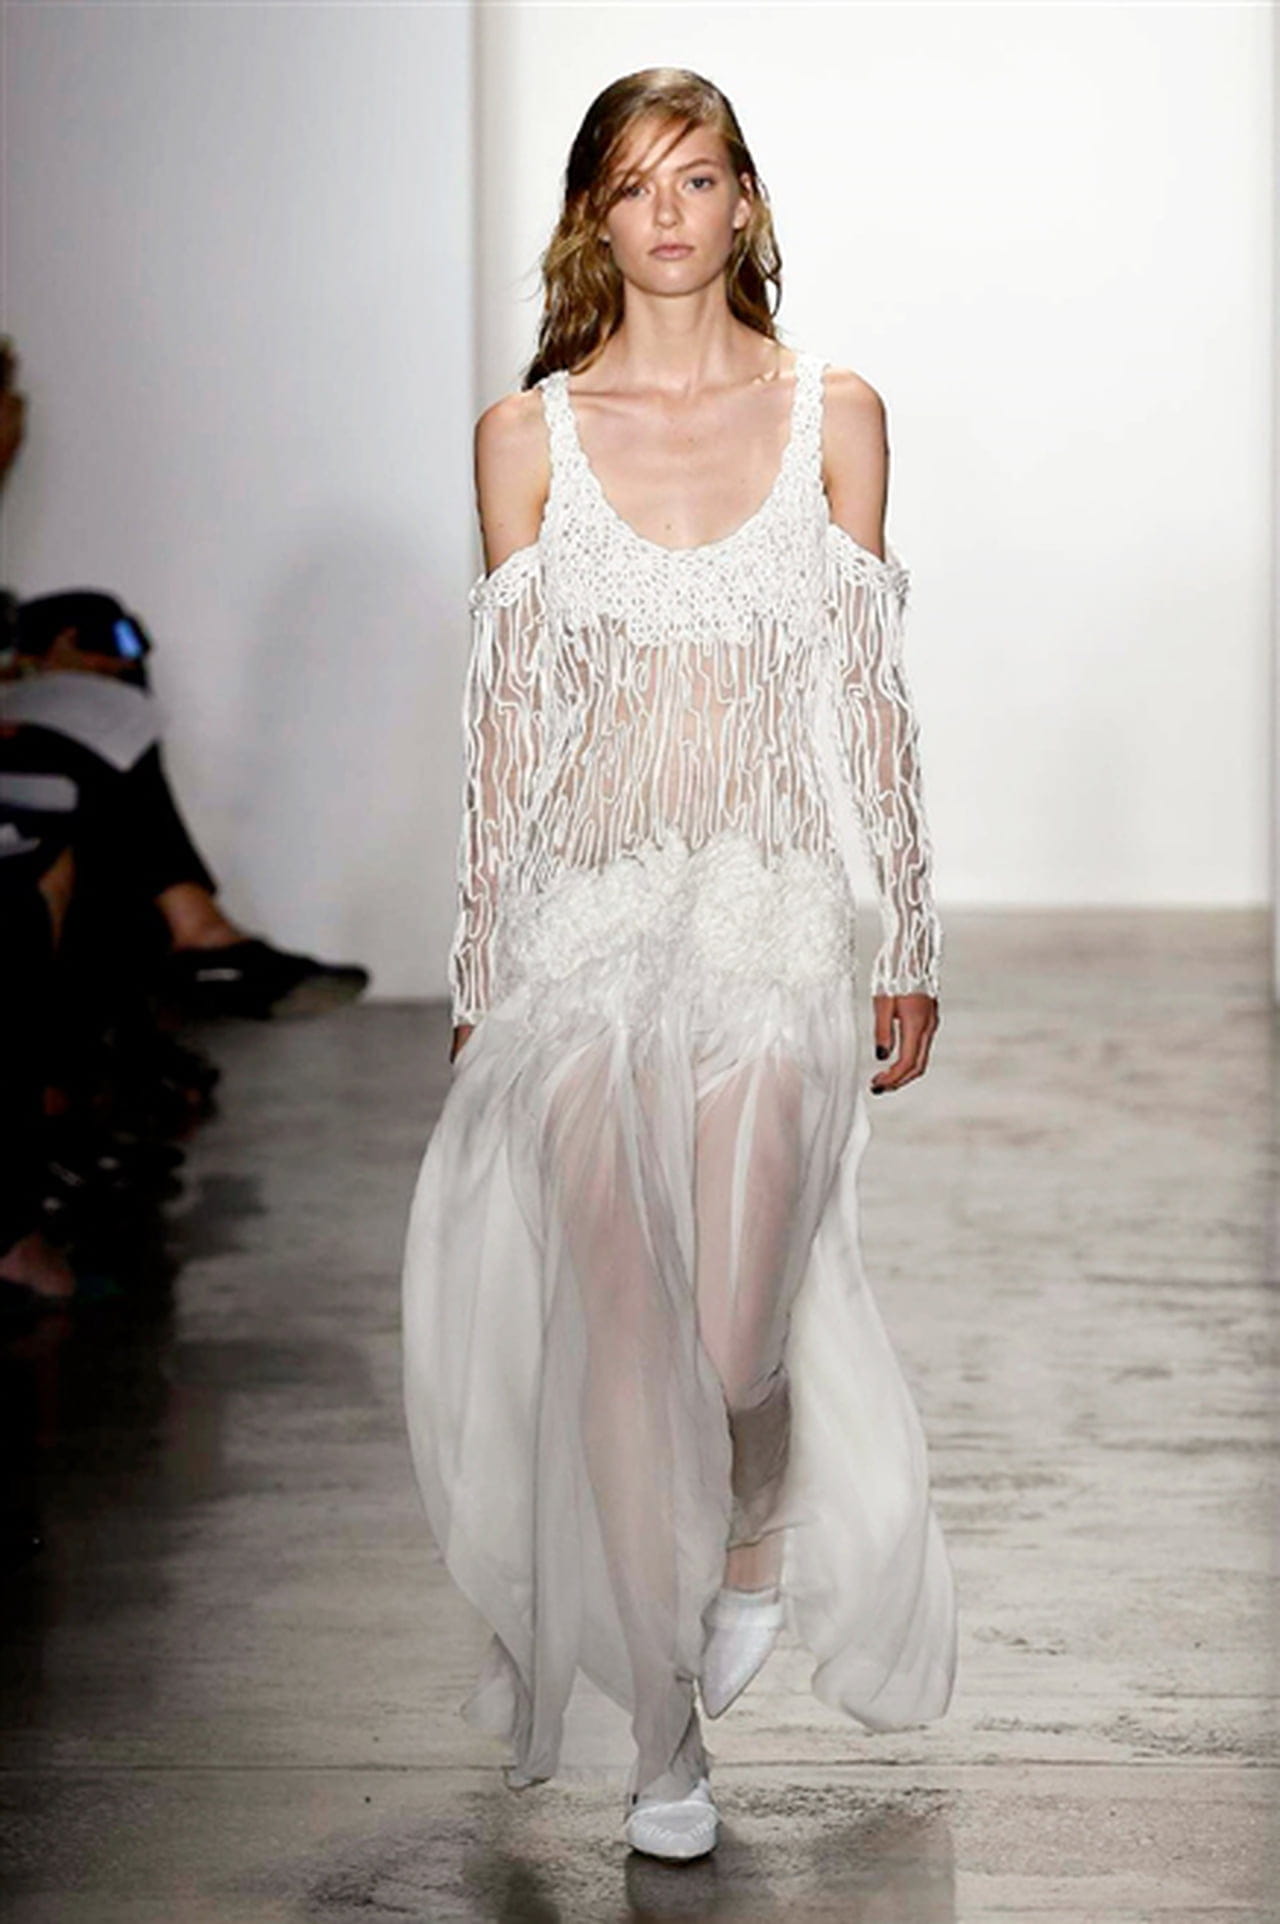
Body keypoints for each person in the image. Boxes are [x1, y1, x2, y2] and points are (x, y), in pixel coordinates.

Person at [401, 67, 957, 1864]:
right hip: (583, 928)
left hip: (776, 917)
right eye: (633, 184)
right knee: (627, 1339)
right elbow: (506, 737)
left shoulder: (834, 415)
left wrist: (909, 932)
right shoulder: (525, 439)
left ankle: (753, 1521)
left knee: (728, 1343)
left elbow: (869, 698)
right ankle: (663, 1735)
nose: (666, 213)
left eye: (696, 178)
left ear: (744, 205)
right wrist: (479, 976)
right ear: (594, 214)